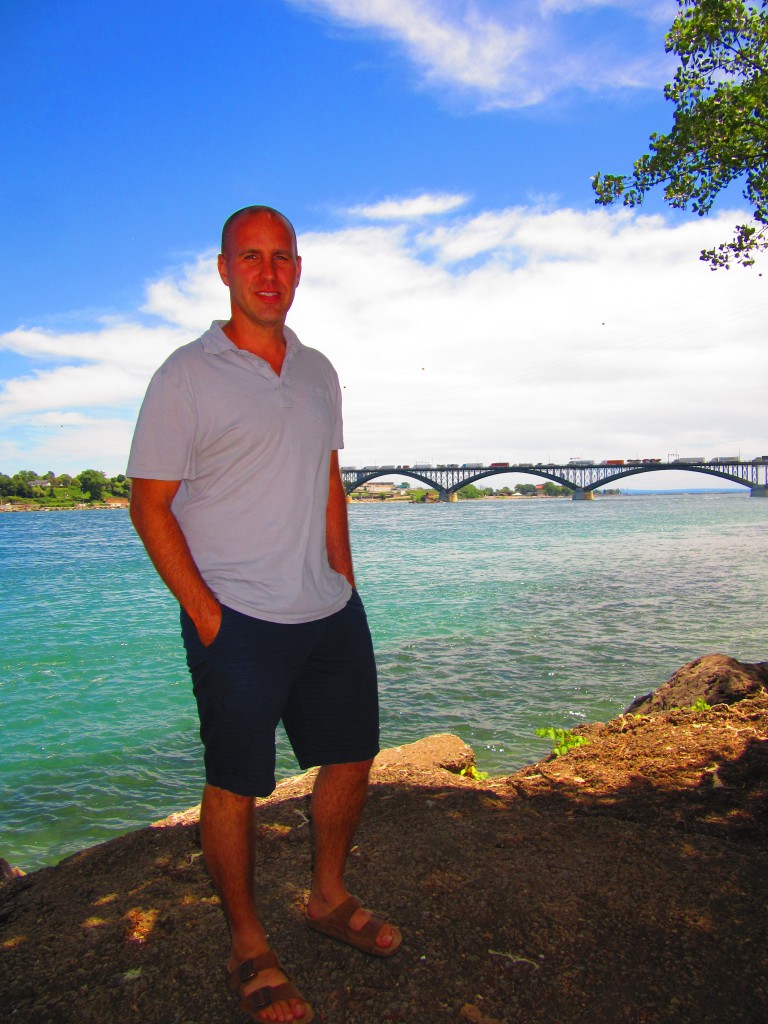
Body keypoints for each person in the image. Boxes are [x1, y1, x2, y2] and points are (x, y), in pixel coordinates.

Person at [127, 205, 401, 1024]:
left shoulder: (318, 369)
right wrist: (208, 616)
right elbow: (149, 507)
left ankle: (326, 896)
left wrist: (344, 578)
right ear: (222, 270)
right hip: (237, 616)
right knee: (236, 784)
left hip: (326, 608)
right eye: (252, 257)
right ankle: (249, 940)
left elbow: (325, 480)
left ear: (300, 268)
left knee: (352, 757)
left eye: (283, 257)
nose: (269, 272)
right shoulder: (184, 374)